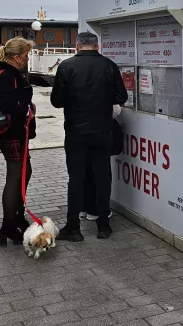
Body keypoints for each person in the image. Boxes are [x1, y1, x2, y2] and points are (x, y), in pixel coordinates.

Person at [51, 31, 127, 241]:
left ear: (76, 46)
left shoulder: (66, 66)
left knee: (76, 179)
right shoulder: (109, 65)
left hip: (76, 132)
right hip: (102, 131)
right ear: (97, 46)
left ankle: (73, 228)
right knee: (103, 177)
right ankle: (103, 225)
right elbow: (122, 96)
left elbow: (56, 101)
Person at [0, 37, 36, 246]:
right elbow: (8, 104)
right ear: (17, 57)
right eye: (26, 56)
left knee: (24, 171)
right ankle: (8, 225)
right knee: (15, 175)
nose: (27, 59)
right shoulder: (7, 77)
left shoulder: (7, 74)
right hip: (12, 133)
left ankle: (16, 217)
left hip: (16, 133)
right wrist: (26, 109)